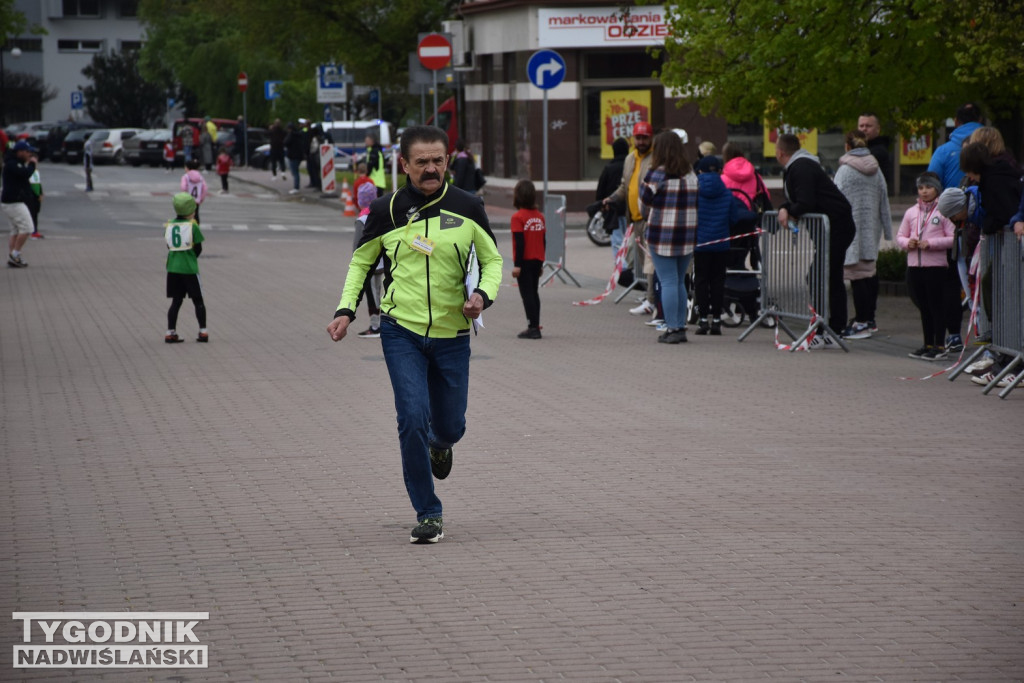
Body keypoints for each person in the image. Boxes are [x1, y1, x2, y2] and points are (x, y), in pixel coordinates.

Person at [326, 125, 503, 544]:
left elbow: (494, 262)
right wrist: (346, 310)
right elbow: (360, 263)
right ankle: (429, 511)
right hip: (400, 330)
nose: (430, 169)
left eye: (437, 160)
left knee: (450, 425)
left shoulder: (468, 207)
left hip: (452, 334)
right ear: (404, 164)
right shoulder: (386, 211)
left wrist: (481, 295)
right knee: (410, 420)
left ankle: (442, 444)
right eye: (421, 161)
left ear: (448, 160)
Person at [775, 133, 856, 341]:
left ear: (780, 152)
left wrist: (787, 209)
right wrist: (786, 207)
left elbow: (805, 202)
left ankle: (830, 328)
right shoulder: (799, 166)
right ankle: (827, 327)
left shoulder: (801, 167)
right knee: (824, 275)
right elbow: (800, 199)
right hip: (830, 227)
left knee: (822, 275)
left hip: (837, 226)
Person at [639, 130, 698, 344]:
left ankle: (672, 328)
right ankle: (680, 325)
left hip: (662, 235)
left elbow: (643, 208)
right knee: (680, 280)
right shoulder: (691, 174)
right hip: (687, 234)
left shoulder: (655, 174)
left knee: (668, 281)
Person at [833, 130, 892, 339]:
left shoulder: (844, 171)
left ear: (847, 146)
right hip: (871, 230)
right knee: (867, 274)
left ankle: (861, 322)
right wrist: (887, 229)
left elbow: (835, 199)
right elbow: (884, 198)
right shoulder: (876, 170)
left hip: (850, 229)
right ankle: (868, 319)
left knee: (856, 276)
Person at [896, 172, 956, 360]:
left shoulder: (943, 212)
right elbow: (900, 236)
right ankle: (927, 343)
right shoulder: (911, 212)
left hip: (935, 266)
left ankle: (940, 345)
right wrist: (908, 243)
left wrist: (931, 243)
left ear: (937, 189)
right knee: (924, 306)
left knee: (936, 306)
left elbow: (953, 239)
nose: (924, 191)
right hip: (915, 265)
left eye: (928, 187)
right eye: (921, 188)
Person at [603, 121, 656, 317]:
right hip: (635, 219)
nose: (641, 141)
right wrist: (612, 198)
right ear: (633, 138)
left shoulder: (656, 158)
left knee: (651, 264)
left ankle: (652, 301)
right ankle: (650, 297)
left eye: (645, 138)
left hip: (650, 218)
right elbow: (625, 186)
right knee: (643, 263)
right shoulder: (630, 159)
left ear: (651, 138)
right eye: (638, 138)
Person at [693, 158, 746, 335]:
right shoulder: (727, 193)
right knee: (717, 282)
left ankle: (702, 320)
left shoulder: (695, 192)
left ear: (699, 172)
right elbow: (733, 219)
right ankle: (716, 320)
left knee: (700, 281)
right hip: (721, 245)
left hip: (700, 244)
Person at [164, 192, 208, 344]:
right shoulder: (192, 226)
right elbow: (199, 248)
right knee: (198, 300)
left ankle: (170, 332)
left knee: (176, 301)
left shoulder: (169, 225)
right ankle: (203, 332)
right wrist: (191, 257)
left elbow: (168, 245)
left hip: (173, 269)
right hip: (189, 268)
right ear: (191, 210)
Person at [510, 179, 546, 339]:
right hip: (537, 259)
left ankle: (533, 328)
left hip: (524, 261)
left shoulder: (518, 217)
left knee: (527, 295)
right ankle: (535, 324)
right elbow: (543, 240)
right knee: (534, 293)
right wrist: (541, 263)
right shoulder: (540, 217)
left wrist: (517, 265)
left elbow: (520, 242)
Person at [353, 181, 384, 338]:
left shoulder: (363, 219)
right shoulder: (379, 212)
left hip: (369, 264)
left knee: (372, 294)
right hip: (381, 262)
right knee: (378, 292)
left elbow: (357, 246)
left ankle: (375, 326)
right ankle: (380, 323)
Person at [928, 103, 983, 190]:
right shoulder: (993, 147)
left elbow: (930, 184)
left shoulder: (943, 151)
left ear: (956, 121)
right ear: (980, 119)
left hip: (952, 202)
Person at [2, 141, 38, 268]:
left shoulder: (16, 163)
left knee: (16, 230)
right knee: (28, 228)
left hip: (13, 201)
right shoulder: (12, 164)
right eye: (28, 152)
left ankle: (13, 255)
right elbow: (25, 174)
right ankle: (15, 255)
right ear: (20, 152)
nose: (30, 154)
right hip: (14, 202)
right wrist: (32, 164)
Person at [596, 137, 629, 264]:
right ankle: (631, 269)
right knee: (630, 241)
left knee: (617, 241)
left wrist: (601, 204)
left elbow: (600, 190)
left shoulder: (608, 168)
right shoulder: (630, 166)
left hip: (612, 211)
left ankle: (621, 269)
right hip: (629, 210)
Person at [856, 113, 893, 192]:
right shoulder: (857, 149)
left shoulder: (879, 152)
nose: (864, 129)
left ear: (878, 129)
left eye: (868, 126)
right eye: (861, 126)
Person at [180, 158, 208, 224]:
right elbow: (205, 188)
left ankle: (187, 229)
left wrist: (183, 196)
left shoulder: (185, 177)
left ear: (188, 168)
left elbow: (183, 187)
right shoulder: (200, 177)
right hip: (196, 200)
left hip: (187, 199)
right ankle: (196, 229)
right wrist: (201, 198)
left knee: (186, 215)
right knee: (196, 215)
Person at [284, 123, 305, 194]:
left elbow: (286, 142)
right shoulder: (299, 134)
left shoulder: (291, 135)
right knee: (295, 171)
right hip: (298, 156)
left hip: (293, 156)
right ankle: (296, 186)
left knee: (295, 172)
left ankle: (296, 187)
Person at [27, 161, 44, 239]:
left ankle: (35, 230)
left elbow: (38, 183)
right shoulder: (27, 171)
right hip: (31, 196)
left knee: (35, 213)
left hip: (36, 196)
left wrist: (41, 193)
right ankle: (32, 231)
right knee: (32, 214)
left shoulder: (36, 172)